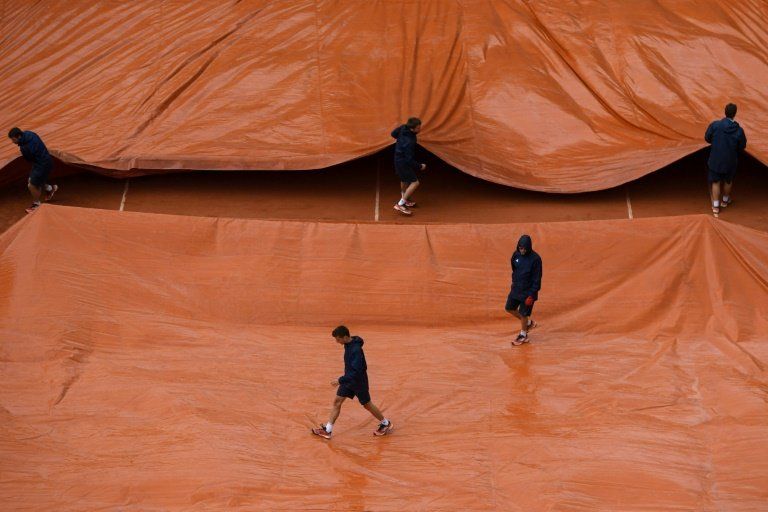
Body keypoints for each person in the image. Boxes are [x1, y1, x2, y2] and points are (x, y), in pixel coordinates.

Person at [312, 326, 393, 439]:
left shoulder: (356, 350)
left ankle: (385, 423)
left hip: (358, 381)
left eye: (338, 339)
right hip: (348, 380)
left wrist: (340, 380)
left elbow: (356, 371)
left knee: (367, 404)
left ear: (345, 337)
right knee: (337, 402)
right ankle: (328, 430)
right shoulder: (348, 343)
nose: (337, 342)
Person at [705, 103, 747, 217]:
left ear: (725, 112)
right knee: (728, 181)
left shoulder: (715, 125)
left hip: (715, 160)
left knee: (716, 182)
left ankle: (715, 207)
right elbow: (742, 146)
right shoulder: (739, 130)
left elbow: (707, 137)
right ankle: (725, 201)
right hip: (731, 160)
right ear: (735, 114)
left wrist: (716, 143)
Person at [8, 127, 58, 213]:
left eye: (13, 139)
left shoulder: (24, 147)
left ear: (18, 137)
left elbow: (29, 159)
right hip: (45, 160)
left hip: (42, 164)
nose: (12, 142)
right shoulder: (29, 133)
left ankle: (36, 204)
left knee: (31, 185)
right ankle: (50, 189)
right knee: (34, 180)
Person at [505, 235, 542, 346]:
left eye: (524, 249)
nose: (522, 250)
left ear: (529, 247)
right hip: (516, 288)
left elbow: (537, 278)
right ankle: (528, 323)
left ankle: (523, 335)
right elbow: (514, 268)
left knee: (523, 313)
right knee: (509, 308)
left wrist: (531, 294)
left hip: (528, 292)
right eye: (521, 248)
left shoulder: (536, 259)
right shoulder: (515, 255)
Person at [391, 118, 426, 216]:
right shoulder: (409, 141)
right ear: (412, 129)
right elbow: (409, 160)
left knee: (404, 180)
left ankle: (404, 199)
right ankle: (400, 204)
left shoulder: (403, 127)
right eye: (418, 128)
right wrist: (420, 166)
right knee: (415, 183)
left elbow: (393, 134)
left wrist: (400, 141)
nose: (420, 129)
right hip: (403, 163)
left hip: (397, 159)